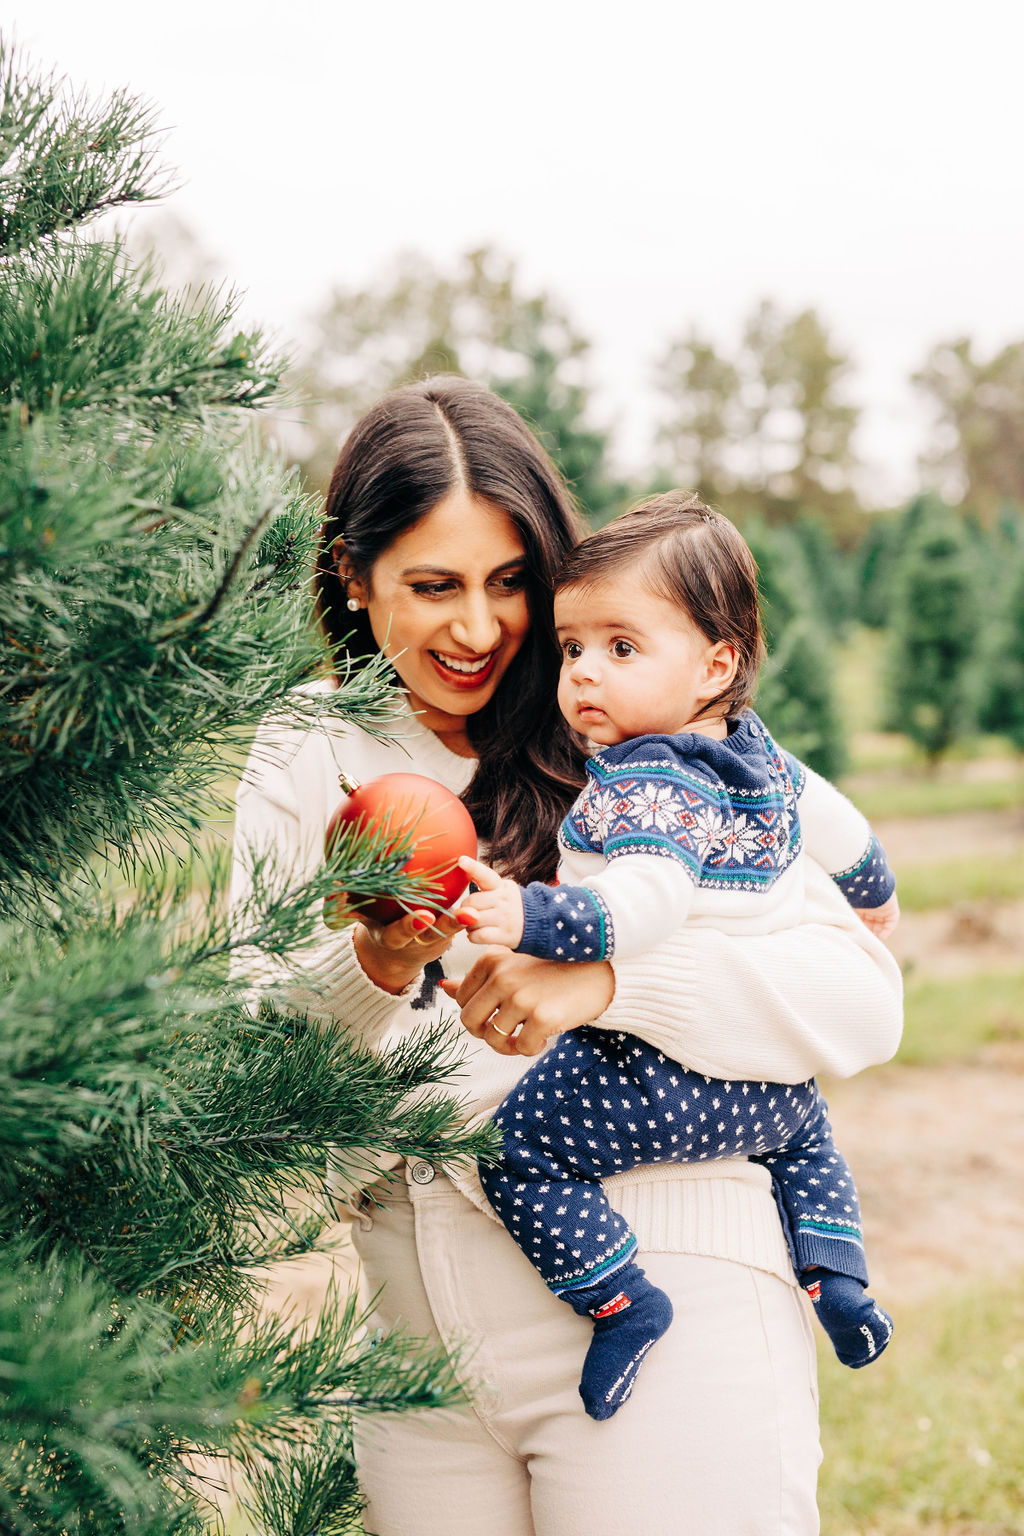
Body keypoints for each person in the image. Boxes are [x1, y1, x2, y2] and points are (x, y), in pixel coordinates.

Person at [229, 377, 903, 1536]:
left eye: (510, 585)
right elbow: (249, 1065)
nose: (481, 629)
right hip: (414, 1344)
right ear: (351, 575)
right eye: (432, 586)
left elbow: (860, 1001)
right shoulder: (304, 751)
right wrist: (376, 966)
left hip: (666, 1266)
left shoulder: (633, 725)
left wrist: (607, 978)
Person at [455, 493, 896, 1420]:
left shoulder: (653, 777)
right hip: (766, 1084)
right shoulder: (761, 758)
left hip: (654, 1076)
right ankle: (837, 1279)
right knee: (808, 1141)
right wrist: (873, 891)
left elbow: (646, 902)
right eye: (573, 648)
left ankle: (619, 1299)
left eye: (622, 648)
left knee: (518, 1150)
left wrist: (535, 920)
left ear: (716, 664)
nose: (582, 675)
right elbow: (839, 824)